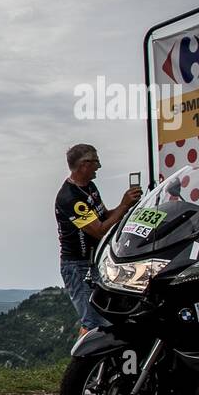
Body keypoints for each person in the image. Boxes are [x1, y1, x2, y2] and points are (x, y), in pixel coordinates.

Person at [55, 144, 141, 336]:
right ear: (84, 165)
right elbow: (100, 231)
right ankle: (83, 364)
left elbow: (102, 218)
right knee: (94, 323)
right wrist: (124, 205)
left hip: (94, 261)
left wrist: (125, 206)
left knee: (102, 317)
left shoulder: (89, 187)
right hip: (78, 266)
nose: (99, 166)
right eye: (95, 162)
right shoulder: (71, 199)